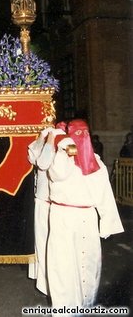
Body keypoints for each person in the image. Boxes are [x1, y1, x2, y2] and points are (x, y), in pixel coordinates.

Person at [46, 119, 124, 313]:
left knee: (87, 263)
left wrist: (107, 223)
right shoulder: (64, 159)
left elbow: (105, 194)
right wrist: (68, 148)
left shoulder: (95, 162)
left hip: (82, 217)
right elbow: (57, 173)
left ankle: (85, 306)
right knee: (64, 265)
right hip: (64, 217)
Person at [27, 123, 66, 295]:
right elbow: (33, 157)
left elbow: (43, 163)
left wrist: (52, 140)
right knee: (42, 245)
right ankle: (45, 283)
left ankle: (57, 284)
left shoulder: (66, 145)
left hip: (61, 205)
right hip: (43, 202)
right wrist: (42, 137)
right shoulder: (47, 143)